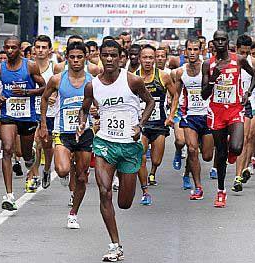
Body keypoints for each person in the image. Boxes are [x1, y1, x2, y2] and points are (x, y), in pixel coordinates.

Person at [77, 40, 154, 262]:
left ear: (121, 58)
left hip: (129, 147)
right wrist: (81, 124)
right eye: (105, 55)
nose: (109, 59)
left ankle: (116, 238)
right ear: (100, 56)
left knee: (124, 203)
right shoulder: (92, 85)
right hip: (104, 144)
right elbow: (84, 109)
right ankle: (115, 245)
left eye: (113, 55)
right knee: (104, 192)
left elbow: (149, 103)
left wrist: (140, 125)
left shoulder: (132, 80)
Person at [201, 30, 255, 207]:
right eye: (216, 40)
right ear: (213, 42)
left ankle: (232, 153)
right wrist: (212, 79)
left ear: (227, 42)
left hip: (234, 110)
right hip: (216, 112)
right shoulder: (207, 64)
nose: (219, 42)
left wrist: (248, 93)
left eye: (222, 39)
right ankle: (221, 191)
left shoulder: (238, 59)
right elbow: (204, 95)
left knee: (237, 147)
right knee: (220, 152)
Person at [40, 41, 93, 229]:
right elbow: (45, 98)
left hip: (86, 133)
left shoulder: (92, 79)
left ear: (85, 58)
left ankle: (73, 213)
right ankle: (67, 167)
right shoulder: (57, 79)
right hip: (63, 131)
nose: (76, 61)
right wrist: (43, 124)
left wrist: (97, 113)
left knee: (81, 177)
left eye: (80, 57)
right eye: (72, 57)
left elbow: (101, 102)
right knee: (62, 169)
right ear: (67, 58)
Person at [0, 36, 46, 210]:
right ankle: (9, 195)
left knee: (25, 154)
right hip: (8, 114)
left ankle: (31, 160)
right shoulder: (0, 68)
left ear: (19, 50)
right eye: (7, 47)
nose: (10, 50)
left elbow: (44, 87)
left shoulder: (30, 65)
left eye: (13, 47)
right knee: (7, 149)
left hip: (27, 116)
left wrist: (27, 92)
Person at [136, 44, 177, 205]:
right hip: (141, 125)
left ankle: (153, 172)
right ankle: (145, 190)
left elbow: (175, 95)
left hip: (159, 124)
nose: (147, 61)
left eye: (150, 58)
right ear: (140, 59)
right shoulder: (133, 77)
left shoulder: (163, 76)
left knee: (156, 160)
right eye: (144, 57)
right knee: (141, 156)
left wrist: (171, 116)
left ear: (155, 60)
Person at [176, 38, 215, 200]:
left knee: (206, 156)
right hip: (189, 115)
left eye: (195, 50)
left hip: (207, 115)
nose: (192, 53)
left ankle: (188, 170)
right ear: (185, 51)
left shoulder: (208, 68)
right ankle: (198, 186)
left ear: (201, 51)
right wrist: (172, 114)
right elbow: (175, 95)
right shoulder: (180, 72)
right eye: (189, 50)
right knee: (192, 150)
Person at [25, 35, 56, 192]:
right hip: (31, 111)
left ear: (50, 50)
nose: (41, 50)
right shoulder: (29, 67)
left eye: (44, 47)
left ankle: (47, 169)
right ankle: (33, 176)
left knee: (46, 145)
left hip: (50, 113)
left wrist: (54, 96)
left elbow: (60, 86)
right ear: (33, 49)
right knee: (35, 143)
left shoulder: (55, 68)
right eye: (38, 47)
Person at [232, 34, 255, 192]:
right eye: (242, 52)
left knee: (247, 138)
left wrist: (249, 92)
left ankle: (239, 175)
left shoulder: (253, 62)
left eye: (247, 52)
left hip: (249, 103)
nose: (245, 55)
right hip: (231, 104)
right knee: (237, 140)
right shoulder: (229, 62)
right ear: (236, 49)